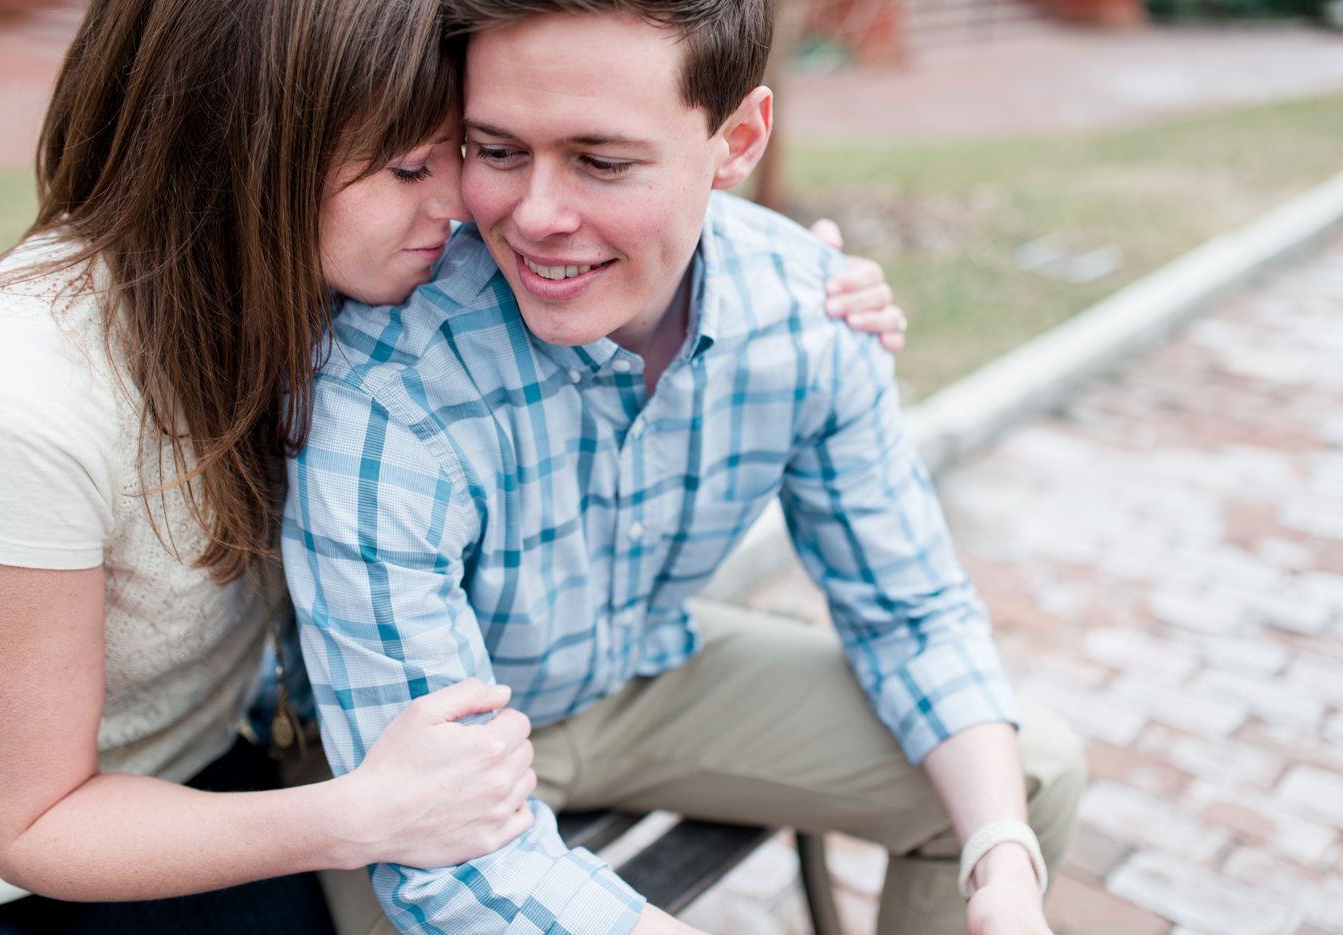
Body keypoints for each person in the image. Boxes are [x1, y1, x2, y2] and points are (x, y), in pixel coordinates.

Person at [0, 0, 903, 930]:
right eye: (409, 167)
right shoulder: (19, 395)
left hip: (208, 768)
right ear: (243, 161)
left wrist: (774, 270)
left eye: (460, 151)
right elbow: (33, 824)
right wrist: (357, 814)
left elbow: (624, 189)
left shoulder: (303, 280)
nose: (460, 206)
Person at [283, 1, 1087, 935]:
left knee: (1027, 778)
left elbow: (912, 611)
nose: (536, 215)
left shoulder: (810, 315)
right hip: (396, 752)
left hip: (635, 678)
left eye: (603, 161)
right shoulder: (385, 387)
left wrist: (1004, 868)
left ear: (736, 140)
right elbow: (451, 858)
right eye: (497, 150)